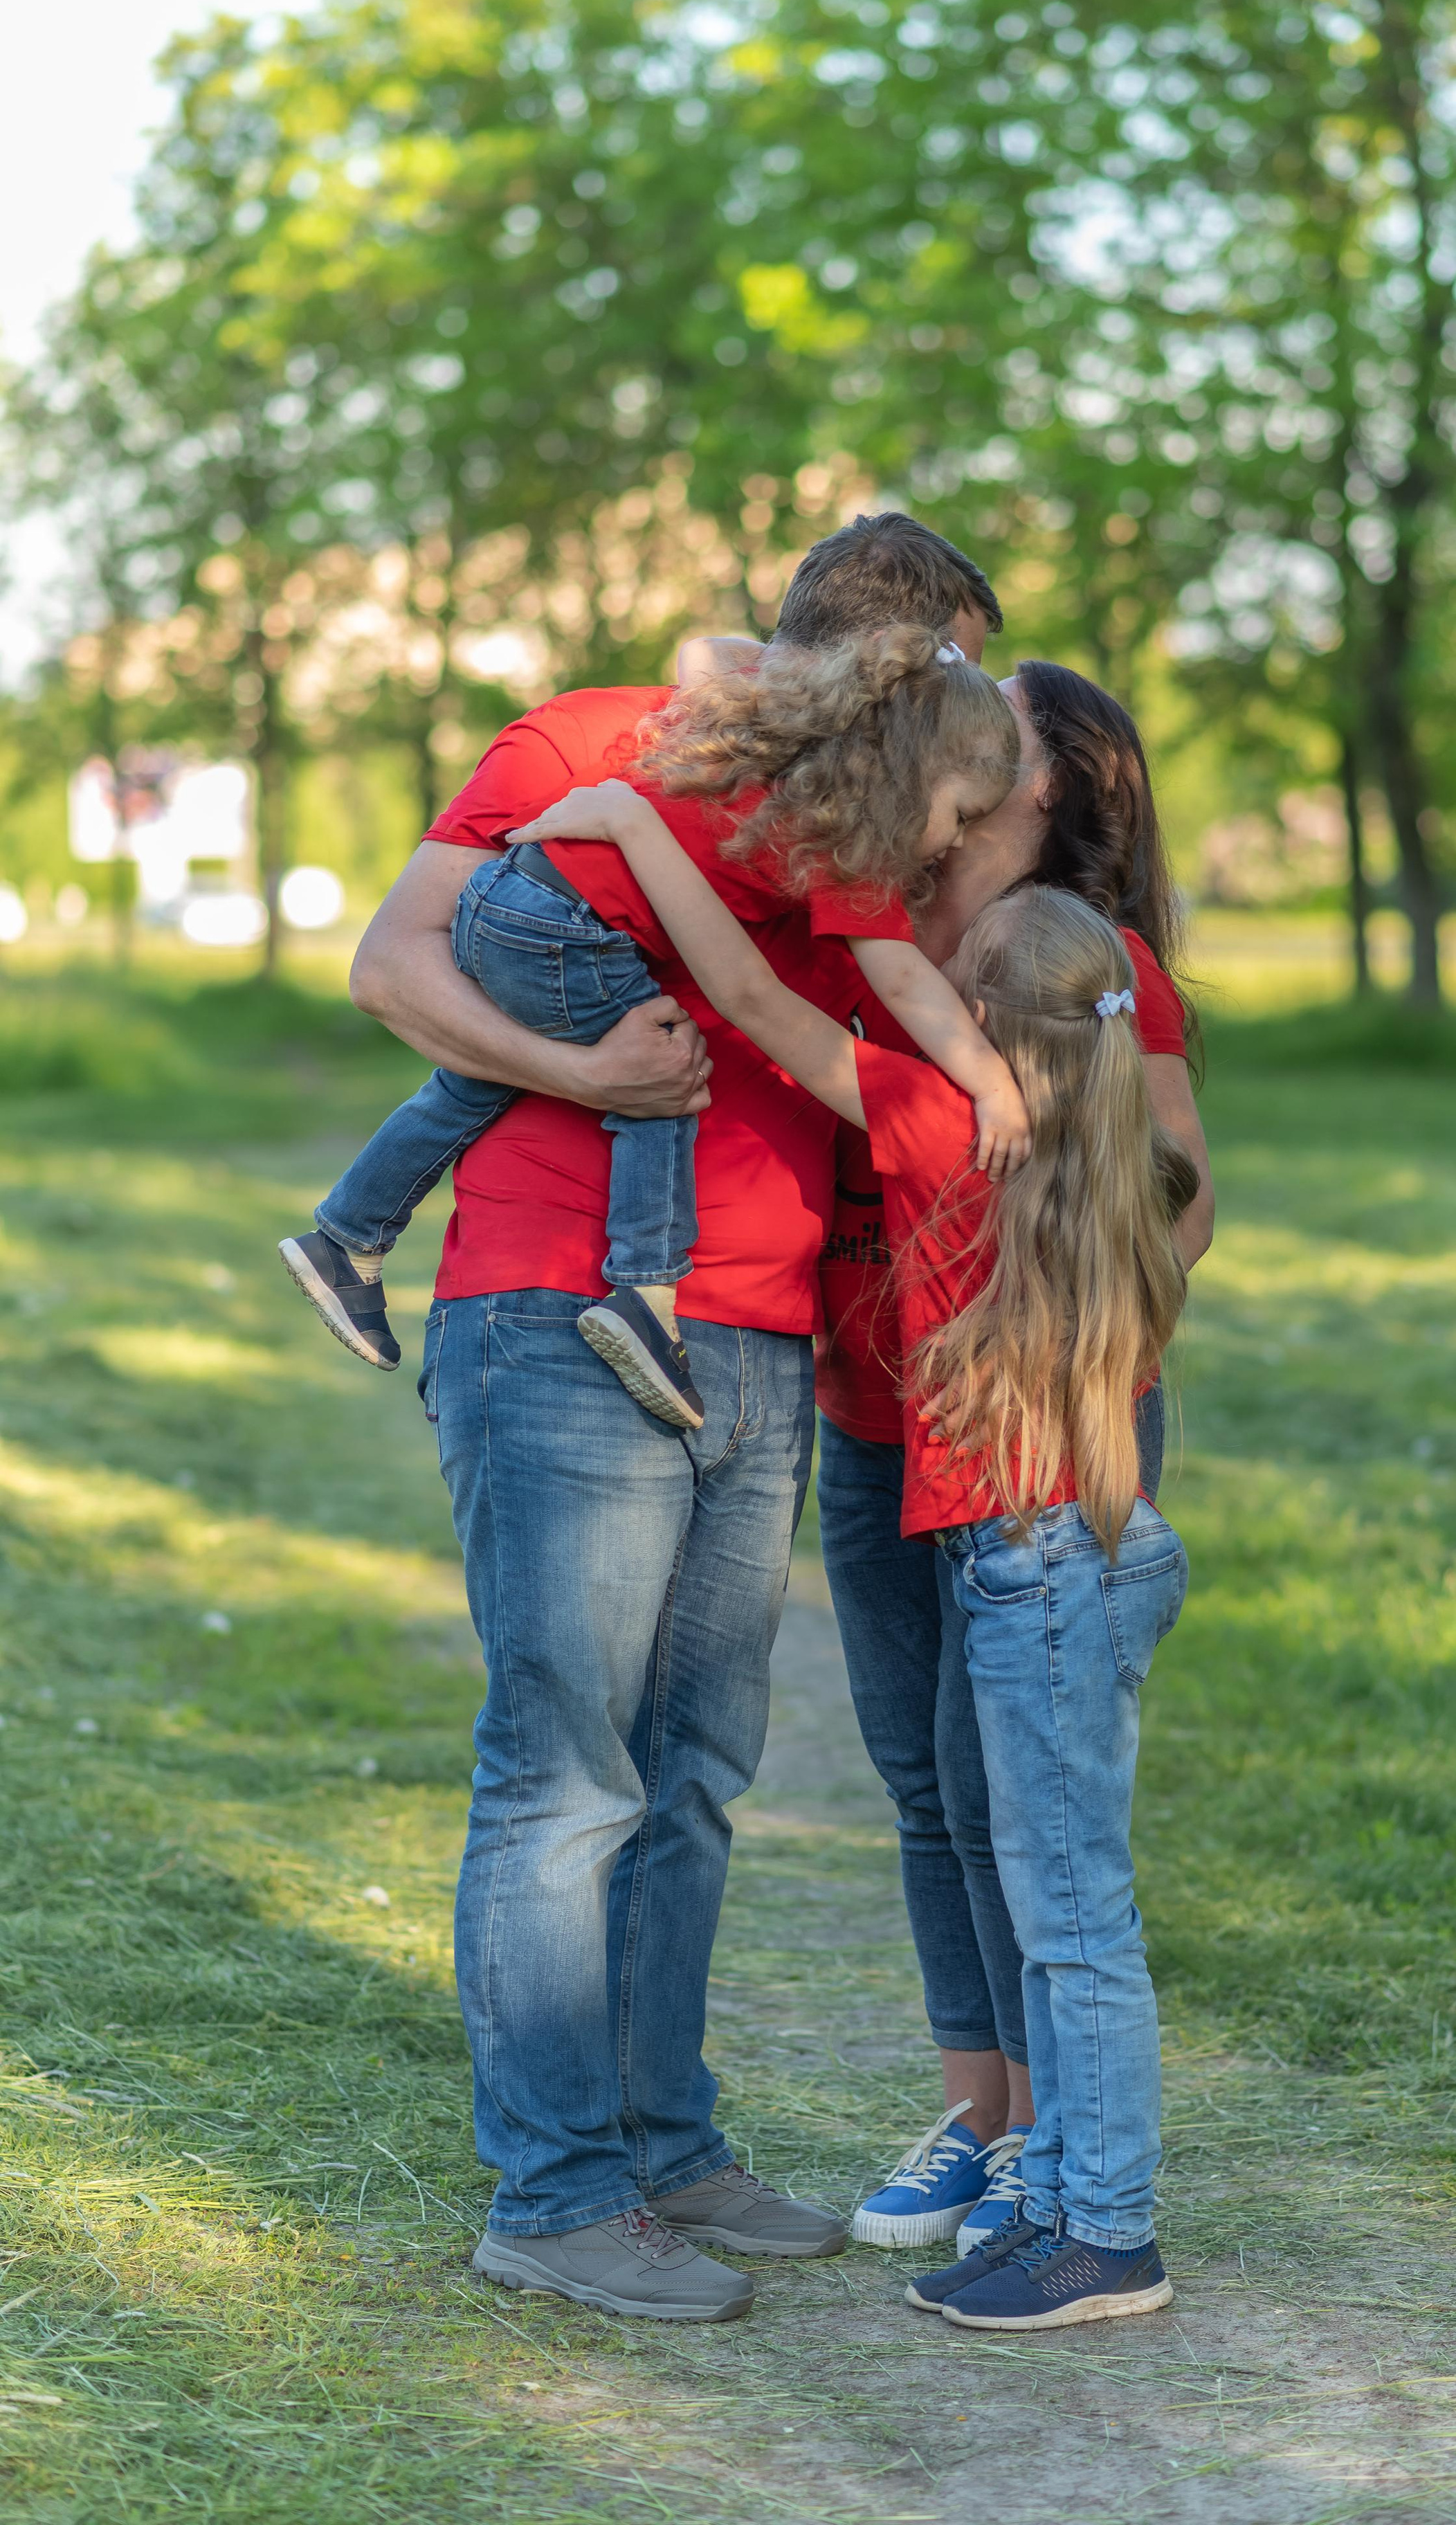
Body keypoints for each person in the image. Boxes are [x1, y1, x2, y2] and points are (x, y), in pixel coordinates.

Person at [347, 512, 1003, 2324]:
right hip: (559, 1316)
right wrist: (580, 1067)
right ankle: (552, 2193)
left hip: (761, 1328)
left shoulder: (862, 809)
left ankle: (662, 2140)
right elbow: (396, 968)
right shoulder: (580, 739)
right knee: (570, 1766)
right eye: (947, 668)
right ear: (881, 652)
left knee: (698, 1767)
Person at [505, 782, 1193, 2332]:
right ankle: (1070, 2194)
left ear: (976, 1028)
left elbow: (750, 998)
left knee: (1071, 1915)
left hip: (1029, 1565)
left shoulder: (948, 1125)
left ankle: (1106, 2233)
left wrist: (649, 826)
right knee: (1067, 1902)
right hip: (1097, 1545)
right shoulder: (1108, 1160)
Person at [819, 662, 1213, 2253]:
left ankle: (1067, 2163)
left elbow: (1172, 1190)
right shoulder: (893, 917)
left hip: (1034, 1448)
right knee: (933, 1792)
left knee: (1029, 1834)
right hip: (881, 1432)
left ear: (1041, 785)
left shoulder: (1063, 970)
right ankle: (992, 2125)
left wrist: (1047, 1354)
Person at [280, 628, 1024, 1429]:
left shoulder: (784, 756)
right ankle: (642, 1293)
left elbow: (708, 649)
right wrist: (993, 1085)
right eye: (960, 814)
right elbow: (905, 980)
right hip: (570, 923)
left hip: (516, 900)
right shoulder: (845, 842)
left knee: (477, 1077)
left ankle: (347, 1232)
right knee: (663, 1072)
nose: (953, 842)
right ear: (909, 772)